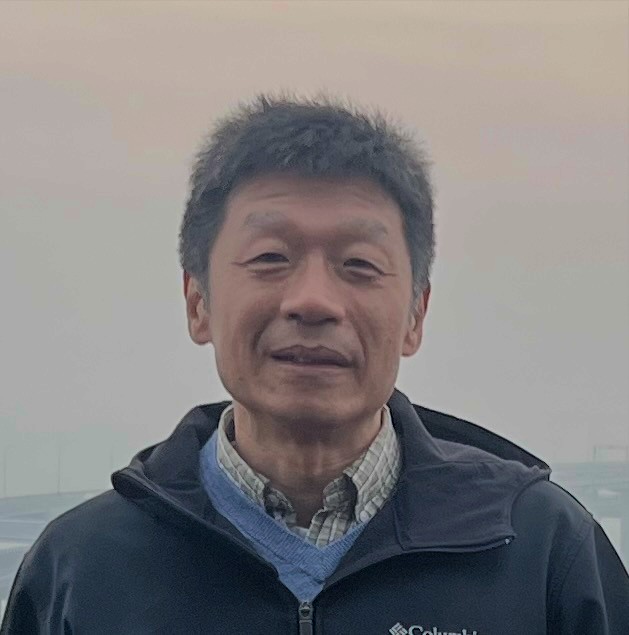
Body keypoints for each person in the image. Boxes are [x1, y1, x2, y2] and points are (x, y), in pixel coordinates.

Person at [2, 95, 628, 635]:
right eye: (271, 257)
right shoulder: (81, 568)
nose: (313, 301)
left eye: (359, 265)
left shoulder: (542, 551)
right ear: (198, 303)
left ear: (415, 315)